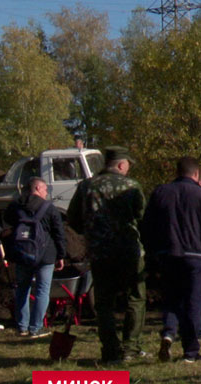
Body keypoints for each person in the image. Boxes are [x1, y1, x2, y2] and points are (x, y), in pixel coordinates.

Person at [66, 146, 146, 364]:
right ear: (121, 165)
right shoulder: (131, 186)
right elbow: (142, 216)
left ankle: (110, 351)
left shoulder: (86, 186)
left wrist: (92, 233)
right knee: (135, 298)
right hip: (129, 251)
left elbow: (72, 219)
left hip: (100, 252)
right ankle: (131, 348)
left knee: (104, 302)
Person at [142, 157, 201, 362]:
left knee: (171, 298)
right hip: (196, 254)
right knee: (193, 301)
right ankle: (190, 350)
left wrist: (153, 250)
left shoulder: (161, 193)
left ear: (177, 172)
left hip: (167, 253)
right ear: (196, 174)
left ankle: (169, 333)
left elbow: (147, 224)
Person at [2, 177, 66, 338]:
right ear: (37, 188)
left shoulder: (15, 205)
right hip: (45, 256)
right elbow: (59, 233)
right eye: (45, 189)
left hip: (22, 254)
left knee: (22, 289)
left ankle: (22, 327)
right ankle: (35, 328)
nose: (46, 193)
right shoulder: (49, 208)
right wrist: (61, 255)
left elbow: (7, 222)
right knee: (42, 291)